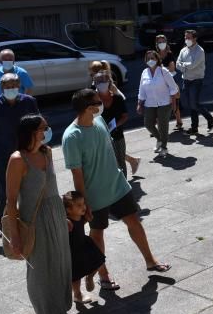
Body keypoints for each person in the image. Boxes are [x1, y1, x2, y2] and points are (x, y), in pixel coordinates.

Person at [63, 89, 170, 291]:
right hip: (95, 195)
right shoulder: (72, 137)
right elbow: (77, 175)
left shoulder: (100, 121)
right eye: (97, 101)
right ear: (89, 108)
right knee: (97, 235)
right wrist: (84, 205)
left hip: (118, 186)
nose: (101, 102)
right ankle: (104, 276)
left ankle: (150, 260)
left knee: (134, 221)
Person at [4, 114, 70, 314]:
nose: (47, 131)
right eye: (43, 128)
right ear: (31, 132)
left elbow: (52, 188)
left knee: (59, 264)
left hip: (55, 214)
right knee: (40, 269)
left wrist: (64, 217)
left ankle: (56, 309)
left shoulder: (47, 152)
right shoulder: (17, 160)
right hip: (34, 220)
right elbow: (11, 201)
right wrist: (14, 235)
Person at [0, 72, 39, 222]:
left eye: (13, 86)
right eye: (7, 86)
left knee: (30, 189)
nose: (11, 88)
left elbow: (38, 125)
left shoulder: (29, 101)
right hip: (3, 155)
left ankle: (30, 221)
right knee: (4, 193)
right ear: (1, 87)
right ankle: (4, 222)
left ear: (19, 86)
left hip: (27, 153)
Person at [63, 190, 105, 304]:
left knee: (100, 259)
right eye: (79, 205)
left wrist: (87, 219)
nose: (83, 207)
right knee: (76, 275)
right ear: (68, 210)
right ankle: (77, 294)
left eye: (83, 204)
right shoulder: (67, 223)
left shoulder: (81, 217)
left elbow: (82, 223)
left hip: (84, 244)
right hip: (73, 250)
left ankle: (90, 277)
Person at [94, 70, 137, 178]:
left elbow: (125, 116)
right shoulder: (93, 101)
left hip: (117, 135)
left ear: (109, 82)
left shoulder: (117, 98)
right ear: (94, 83)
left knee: (120, 161)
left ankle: (124, 186)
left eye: (103, 80)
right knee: (108, 163)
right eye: (98, 81)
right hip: (101, 137)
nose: (101, 83)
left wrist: (115, 125)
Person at [137, 50, 179, 156]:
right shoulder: (144, 72)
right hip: (149, 103)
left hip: (164, 103)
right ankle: (159, 139)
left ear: (157, 59)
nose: (150, 60)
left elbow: (173, 88)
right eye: (148, 59)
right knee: (148, 124)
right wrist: (139, 103)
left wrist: (173, 103)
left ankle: (164, 147)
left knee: (163, 125)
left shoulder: (163, 71)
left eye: (153, 58)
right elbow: (141, 89)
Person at [176, 30, 213, 134]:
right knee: (191, 104)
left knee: (194, 104)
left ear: (195, 38)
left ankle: (210, 118)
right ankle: (194, 128)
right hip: (186, 80)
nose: (186, 40)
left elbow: (192, 65)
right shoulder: (183, 50)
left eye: (189, 38)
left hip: (196, 80)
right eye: (185, 37)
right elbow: (177, 64)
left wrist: (183, 66)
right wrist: (185, 66)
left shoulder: (200, 51)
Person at [156, 34, 182, 131]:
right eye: (159, 42)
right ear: (157, 43)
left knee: (174, 104)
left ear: (166, 42)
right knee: (158, 104)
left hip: (170, 82)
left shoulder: (169, 54)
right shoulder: (156, 55)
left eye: (163, 41)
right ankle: (159, 128)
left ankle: (179, 122)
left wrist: (161, 69)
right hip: (160, 83)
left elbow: (172, 68)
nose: (161, 43)